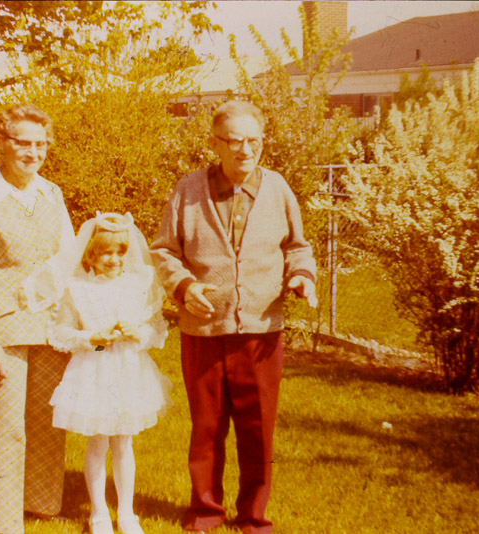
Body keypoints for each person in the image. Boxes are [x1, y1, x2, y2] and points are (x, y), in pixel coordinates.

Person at [149, 100, 317, 534]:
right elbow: (164, 251)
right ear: (215, 143)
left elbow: (297, 247)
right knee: (207, 427)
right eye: (235, 141)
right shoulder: (189, 190)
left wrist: (302, 276)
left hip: (261, 332)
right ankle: (206, 510)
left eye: (254, 141)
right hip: (203, 330)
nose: (246, 150)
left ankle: (253, 516)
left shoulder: (277, 189)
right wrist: (184, 287)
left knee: (258, 429)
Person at [0, 104, 75, 534]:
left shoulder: (52, 194)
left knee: (47, 419)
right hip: (2, 324)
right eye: (23, 143)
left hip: (50, 323)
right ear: (1, 144)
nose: (33, 152)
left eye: (41, 144)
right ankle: (3, 522)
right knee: (8, 421)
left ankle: (42, 504)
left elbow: (68, 260)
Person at [44, 212, 172, 534]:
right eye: (106, 253)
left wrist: (137, 333)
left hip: (128, 370)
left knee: (124, 443)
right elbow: (60, 332)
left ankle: (127, 513)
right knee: (98, 443)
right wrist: (92, 337)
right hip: (95, 369)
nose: (114, 259)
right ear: (91, 255)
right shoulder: (78, 288)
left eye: (120, 252)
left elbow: (156, 329)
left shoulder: (138, 286)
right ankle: (99, 513)